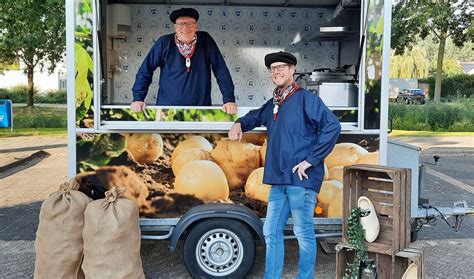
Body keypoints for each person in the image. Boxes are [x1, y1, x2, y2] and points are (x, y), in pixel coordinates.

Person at [228, 51, 341, 278]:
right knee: (271, 231)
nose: (276, 71)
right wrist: (239, 123)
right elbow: (255, 116)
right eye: (273, 68)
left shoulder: (307, 99)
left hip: (301, 179)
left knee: (302, 231)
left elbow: (332, 127)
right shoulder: (274, 103)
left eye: (281, 67)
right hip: (279, 180)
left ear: (292, 70)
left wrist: (311, 160)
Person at [131, 7, 237, 114]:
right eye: (181, 24)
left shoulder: (206, 41)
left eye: (189, 23)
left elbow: (221, 70)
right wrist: (138, 98)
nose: (185, 28)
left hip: (200, 110)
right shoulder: (164, 43)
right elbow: (145, 70)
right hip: (166, 110)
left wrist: (229, 99)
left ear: (196, 26)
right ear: (175, 27)